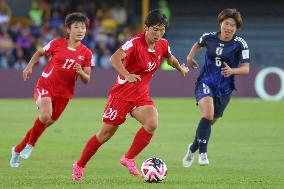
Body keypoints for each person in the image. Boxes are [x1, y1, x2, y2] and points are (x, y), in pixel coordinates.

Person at [71, 9, 189, 181]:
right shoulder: (134, 43)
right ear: (146, 27)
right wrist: (126, 74)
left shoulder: (163, 44)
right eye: (155, 29)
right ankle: (79, 164)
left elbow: (169, 58)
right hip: (121, 95)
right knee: (104, 135)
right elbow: (114, 59)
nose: (158, 33)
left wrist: (180, 68)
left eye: (162, 29)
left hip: (140, 96)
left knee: (152, 122)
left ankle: (128, 158)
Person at [10, 12, 93, 168]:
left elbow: (87, 79)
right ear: (68, 29)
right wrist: (29, 67)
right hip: (45, 86)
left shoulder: (87, 53)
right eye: (77, 27)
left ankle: (16, 150)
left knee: (43, 122)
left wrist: (81, 72)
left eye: (83, 27)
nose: (81, 30)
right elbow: (40, 52)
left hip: (64, 94)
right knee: (45, 114)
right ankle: (30, 145)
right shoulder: (57, 43)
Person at [182, 8, 250, 168]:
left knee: (209, 121)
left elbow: (246, 68)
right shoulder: (209, 37)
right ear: (220, 23)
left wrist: (233, 70)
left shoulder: (240, 43)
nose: (229, 28)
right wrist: (190, 57)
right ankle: (203, 154)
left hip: (224, 88)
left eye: (233, 25)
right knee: (207, 114)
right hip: (205, 82)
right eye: (226, 23)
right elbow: (198, 44)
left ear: (236, 28)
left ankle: (192, 149)